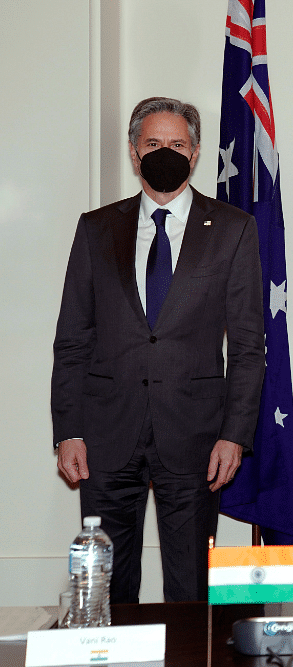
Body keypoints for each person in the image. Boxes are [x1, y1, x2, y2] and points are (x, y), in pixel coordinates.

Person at [51, 96, 265, 603]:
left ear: (194, 154)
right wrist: (69, 431)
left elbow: (250, 347)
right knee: (106, 587)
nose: (164, 152)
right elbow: (72, 339)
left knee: (191, 586)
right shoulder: (96, 228)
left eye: (176, 144)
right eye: (152, 143)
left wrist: (234, 436)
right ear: (133, 152)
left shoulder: (233, 229)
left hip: (195, 436)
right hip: (106, 436)